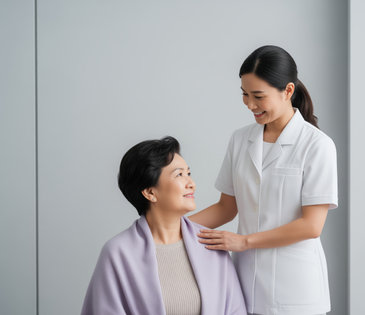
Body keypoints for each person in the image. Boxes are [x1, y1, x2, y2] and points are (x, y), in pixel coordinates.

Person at [189, 45, 338, 315]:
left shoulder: (317, 145)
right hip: (244, 282)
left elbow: (311, 225)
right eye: (244, 95)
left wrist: (243, 242)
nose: (249, 105)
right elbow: (226, 207)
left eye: (258, 96)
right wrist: (169, 227)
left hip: (296, 289)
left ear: (288, 91)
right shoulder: (240, 139)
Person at [81, 136, 246, 315]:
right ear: (150, 192)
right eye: (179, 175)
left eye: (188, 173)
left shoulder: (211, 244)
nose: (191, 184)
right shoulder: (118, 253)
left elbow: (235, 310)